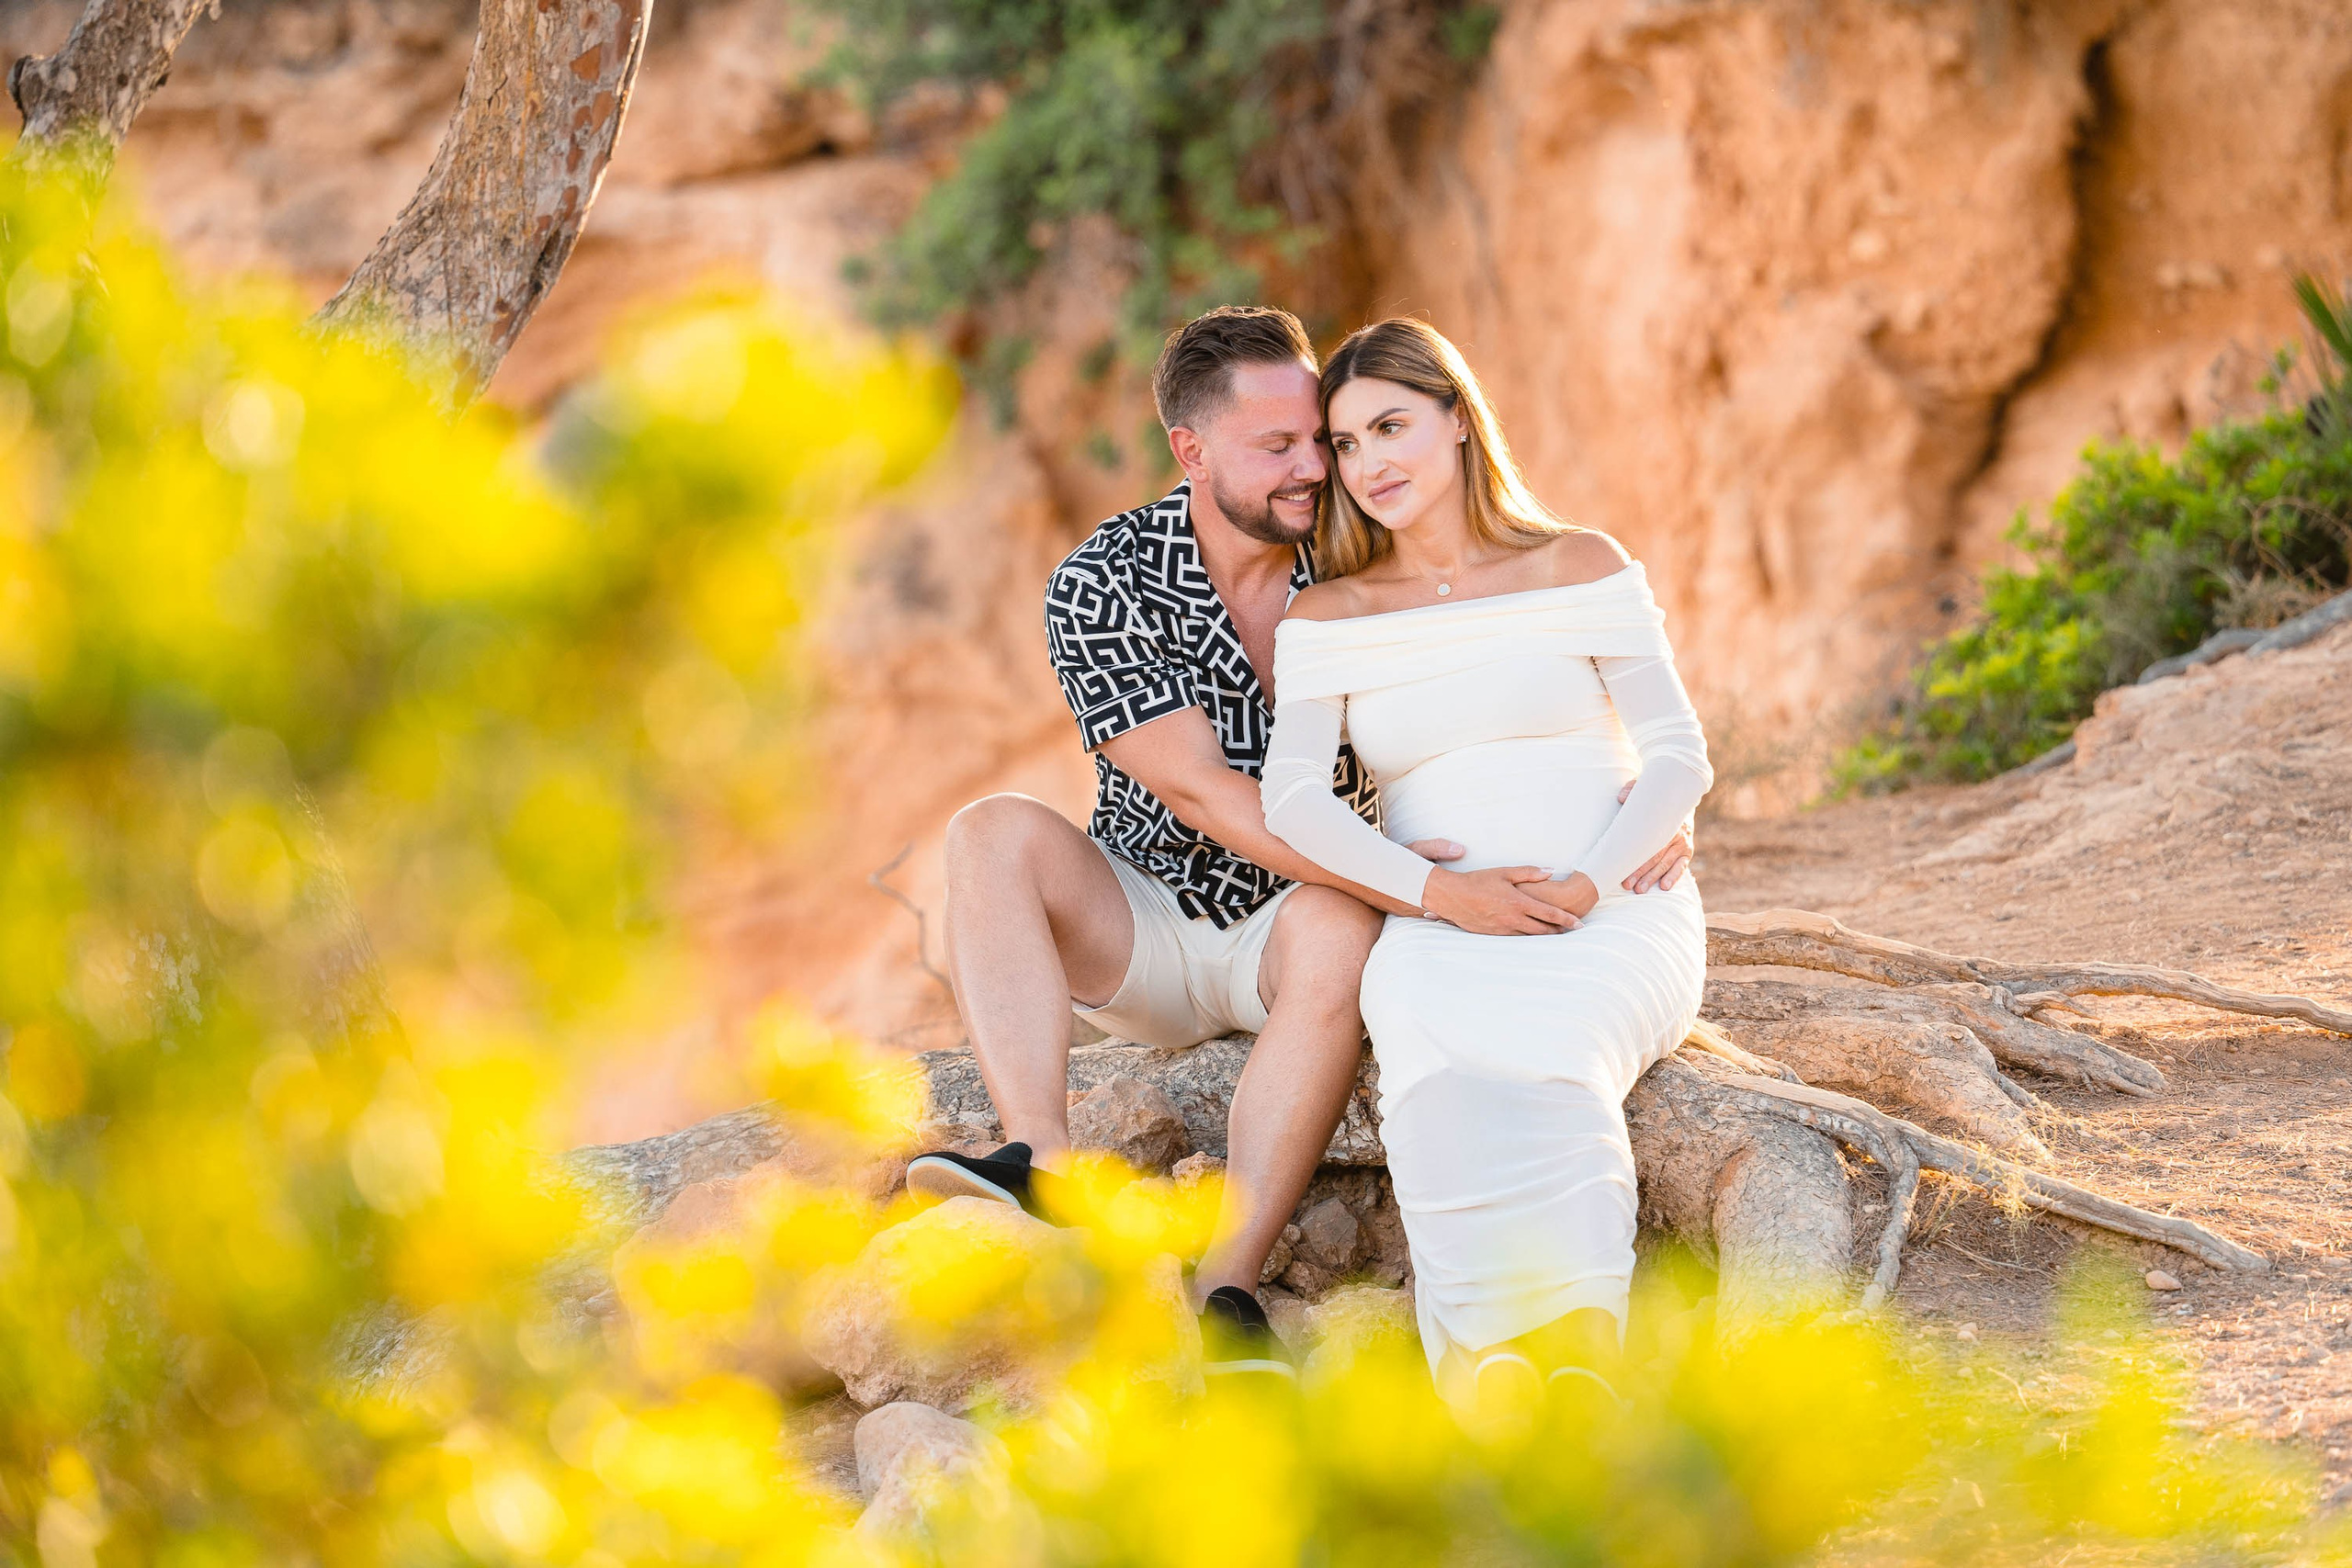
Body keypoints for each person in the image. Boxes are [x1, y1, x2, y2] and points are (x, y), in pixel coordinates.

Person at [903, 307, 1692, 1380]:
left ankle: (1224, 1290)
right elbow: (1211, 798)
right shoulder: (1105, 581)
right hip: (1153, 912)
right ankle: (1038, 1154)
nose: (1318, 468)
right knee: (988, 832)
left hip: (1314, 919)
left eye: (1322, 439)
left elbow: (1504, 665)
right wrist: (1432, 895)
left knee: (1331, 927)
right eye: (1282, 447)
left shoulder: (1355, 548)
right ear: (1192, 450)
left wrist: (1635, 793)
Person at [1259, 317, 1712, 1416]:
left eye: (1391, 426)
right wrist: (1438, 896)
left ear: (1458, 420)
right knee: (1434, 1060)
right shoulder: (1329, 613)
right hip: (1436, 920)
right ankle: (1492, 1374)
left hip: (1612, 900)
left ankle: (1576, 1348)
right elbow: (1293, 798)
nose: (1369, 465)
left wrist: (1584, 884)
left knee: (1554, 1048)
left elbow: (1675, 756)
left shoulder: (1579, 563)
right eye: (1347, 445)